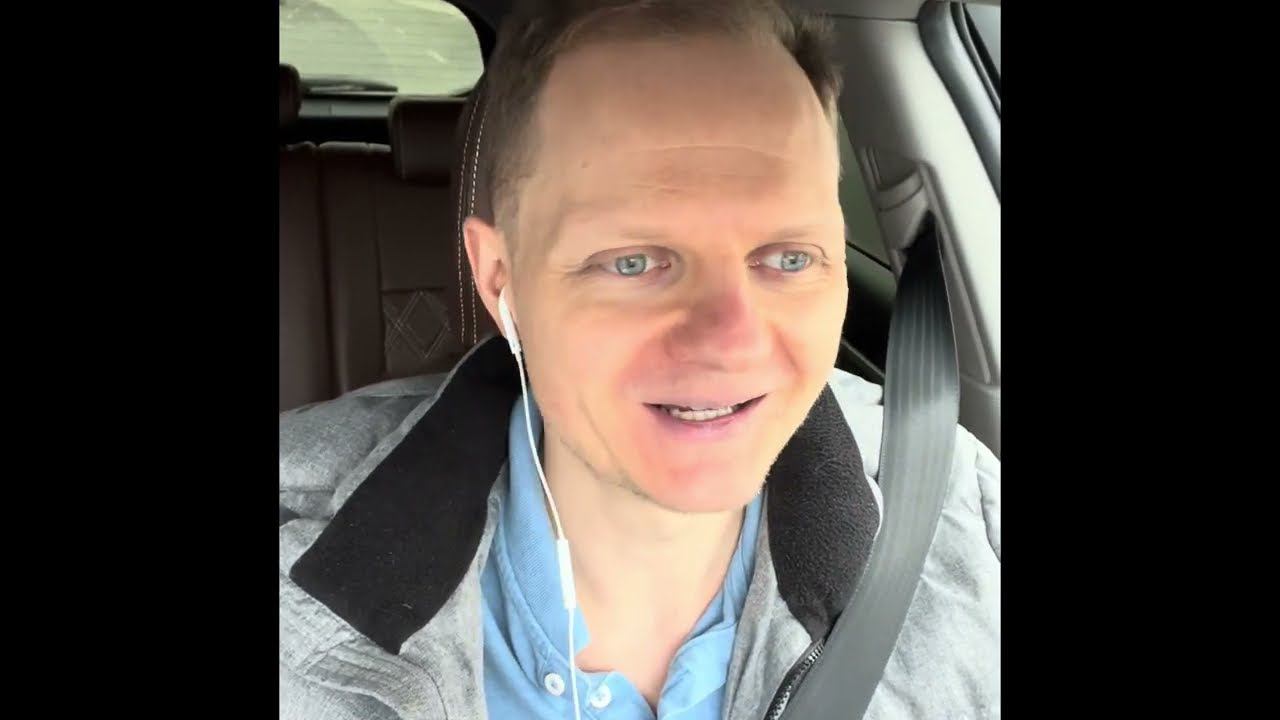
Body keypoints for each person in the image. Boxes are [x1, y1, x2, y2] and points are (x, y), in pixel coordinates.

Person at [279, 1, 1000, 718]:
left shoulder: (971, 530)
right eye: (632, 262)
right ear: (501, 280)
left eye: (788, 258)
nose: (732, 341)